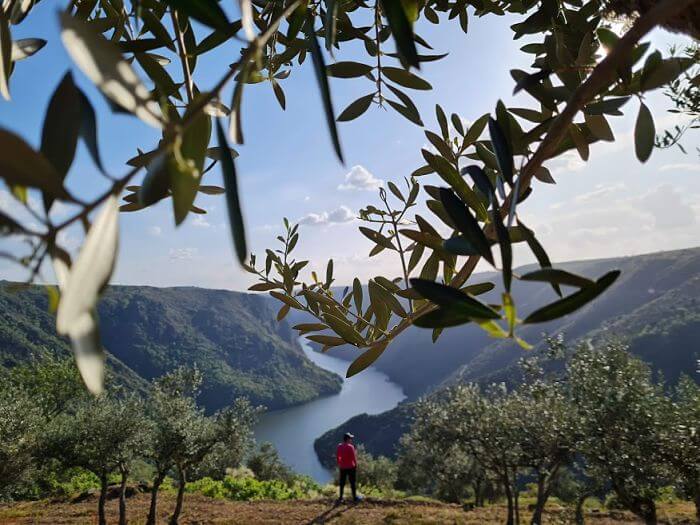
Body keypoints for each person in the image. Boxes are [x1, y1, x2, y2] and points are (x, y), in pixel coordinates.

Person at [336, 432, 360, 504]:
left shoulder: (339, 446)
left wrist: (340, 464)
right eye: (350, 438)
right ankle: (355, 498)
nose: (351, 440)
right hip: (351, 467)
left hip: (342, 467)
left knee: (342, 483)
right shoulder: (350, 447)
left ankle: (340, 497)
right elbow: (353, 458)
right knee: (352, 482)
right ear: (348, 439)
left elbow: (338, 457)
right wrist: (356, 465)